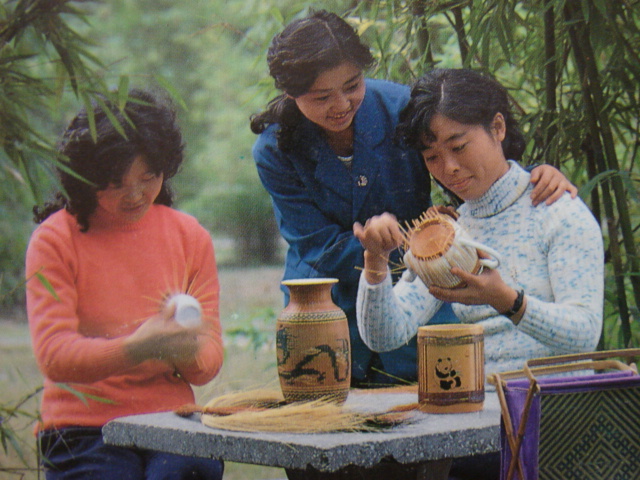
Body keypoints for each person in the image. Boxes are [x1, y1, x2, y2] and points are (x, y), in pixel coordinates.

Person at [250, 10, 576, 388]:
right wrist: (397, 246)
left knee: (435, 399)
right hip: (326, 304)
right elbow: (316, 246)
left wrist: (531, 179)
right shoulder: (274, 148)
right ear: (291, 93)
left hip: (418, 290)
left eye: (353, 85)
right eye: (322, 97)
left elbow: (470, 171)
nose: (341, 104)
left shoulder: (401, 106)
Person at [354, 68, 604, 478]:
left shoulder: (558, 213)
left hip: (554, 424)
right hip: (474, 426)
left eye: (459, 145)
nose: (449, 168)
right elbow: (386, 333)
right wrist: (377, 266)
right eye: (432, 157)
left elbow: (585, 333)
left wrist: (506, 299)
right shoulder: (449, 233)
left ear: (498, 127)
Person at [25, 89, 224, 479]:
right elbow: (54, 356)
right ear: (85, 179)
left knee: (181, 472)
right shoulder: (56, 239)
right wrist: (139, 347)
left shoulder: (189, 237)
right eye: (116, 183)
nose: (135, 195)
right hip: (81, 428)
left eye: (148, 177)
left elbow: (207, 364)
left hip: (171, 419)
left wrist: (187, 350)